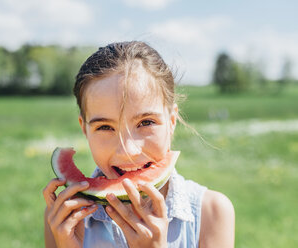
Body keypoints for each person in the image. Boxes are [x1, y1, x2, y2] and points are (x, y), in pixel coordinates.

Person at [43, 41, 235, 248]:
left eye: (146, 123)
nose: (129, 151)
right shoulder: (64, 218)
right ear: (85, 130)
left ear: (171, 122)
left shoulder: (211, 212)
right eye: (105, 127)